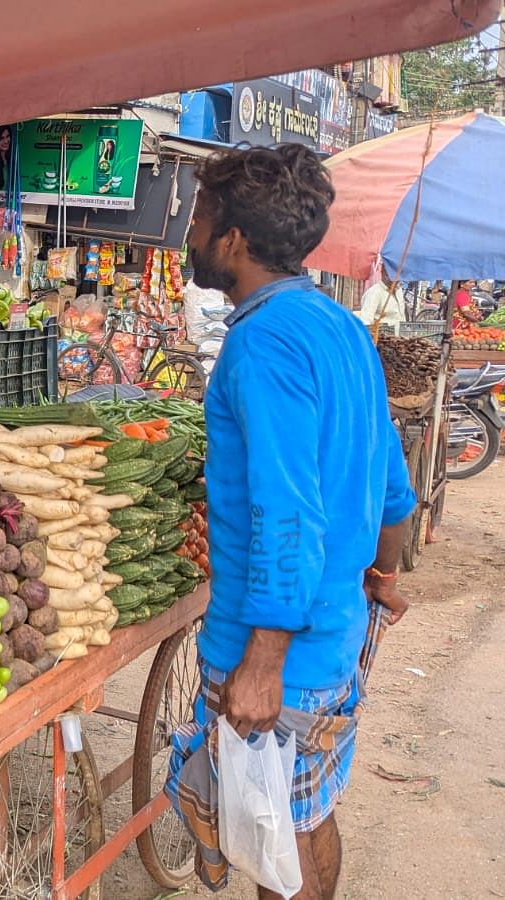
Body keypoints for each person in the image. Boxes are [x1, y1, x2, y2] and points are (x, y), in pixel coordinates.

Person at [166, 144, 416, 900]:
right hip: (333, 629)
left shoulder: (260, 343)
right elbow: (393, 490)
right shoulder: (339, 328)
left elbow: (285, 509)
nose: (190, 237)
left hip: (281, 650)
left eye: (201, 219)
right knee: (306, 815)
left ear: (234, 239)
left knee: (275, 832)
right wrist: (382, 573)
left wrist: (263, 661)